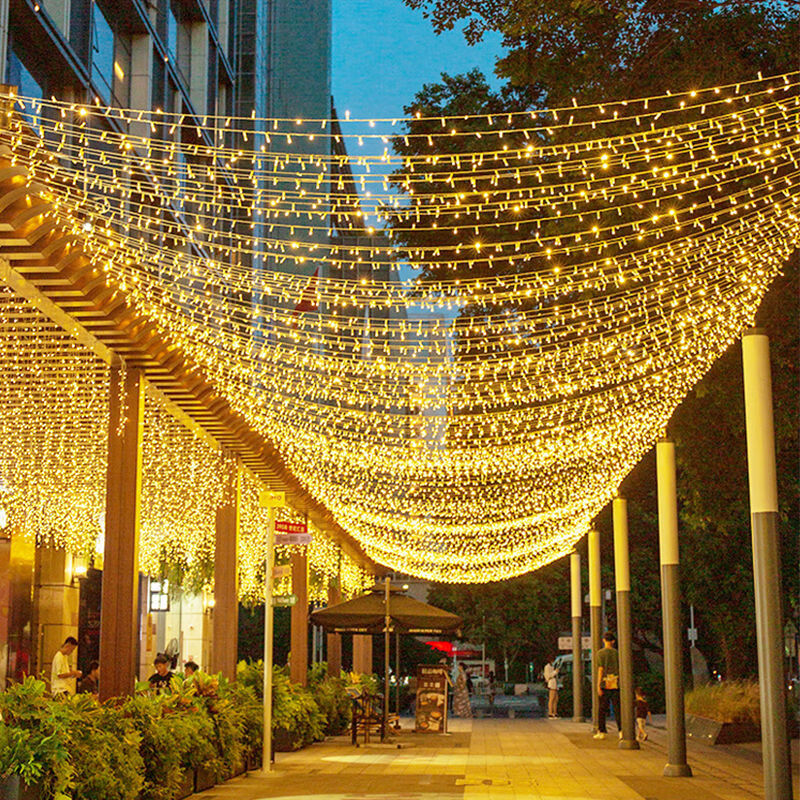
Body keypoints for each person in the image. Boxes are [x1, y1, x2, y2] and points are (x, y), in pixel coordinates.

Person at [593, 631, 620, 739]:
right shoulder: (617, 653)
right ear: (613, 641)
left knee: (602, 709)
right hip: (616, 683)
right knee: (617, 708)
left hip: (605, 683)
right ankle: (621, 730)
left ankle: (602, 731)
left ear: (604, 640)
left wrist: (598, 685)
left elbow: (600, 669)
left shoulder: (600, 653)